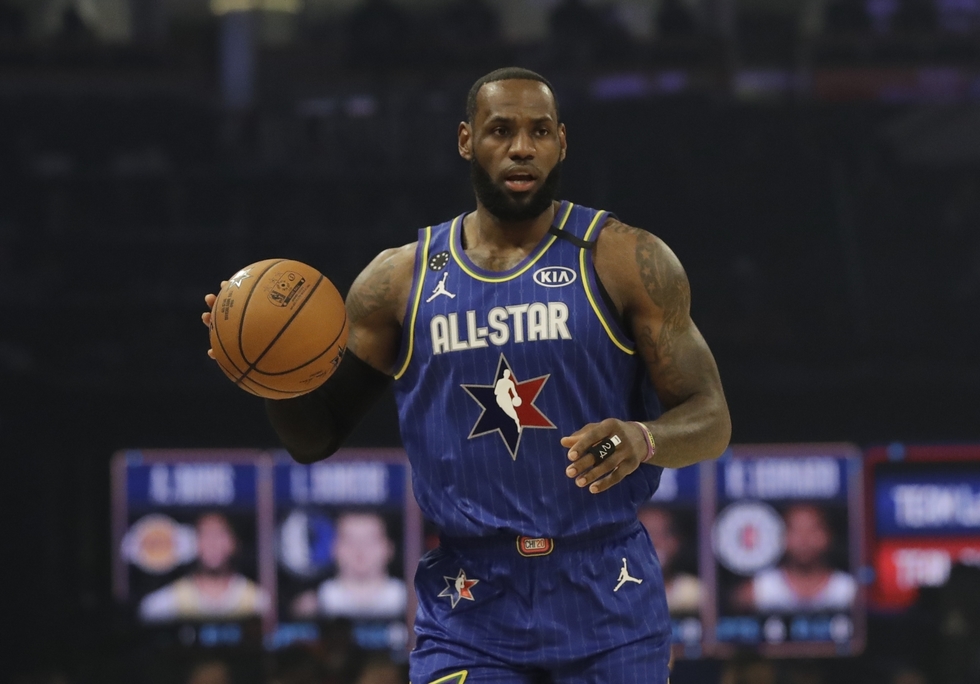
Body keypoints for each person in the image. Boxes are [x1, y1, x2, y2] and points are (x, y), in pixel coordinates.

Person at [203, 67, 731, 683]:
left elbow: (711, 418)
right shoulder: (397, 281)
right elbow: (314, 437)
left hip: (608, 590)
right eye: (500, 130)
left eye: (539, 131)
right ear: (465, 140)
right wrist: (271, 376)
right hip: (469, 602)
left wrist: (643, 438)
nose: (521, 147)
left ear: (562, 142)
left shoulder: (625, 259)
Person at [139, 512, 268, 621]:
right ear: (193, 543)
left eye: (220, 535)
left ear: (234, 543)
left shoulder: (258, 602)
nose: (213, 544)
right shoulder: (162, 604)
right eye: (205, 535)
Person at [732, 504, 856, 613]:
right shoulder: (756, 592)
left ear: (828, 536)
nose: (804, 540)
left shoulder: (849, 591)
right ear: (781, 536)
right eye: (795, 530)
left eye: (813, 530)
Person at [292, 511, 406, 619]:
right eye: (349, 540)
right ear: (334, 548)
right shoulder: (311, 607)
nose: (360, 549)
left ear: (389, 548)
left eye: (370, 540)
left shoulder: (409, 602)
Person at [638, 506, 701, 614]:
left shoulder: (695, 592)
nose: (655, 543)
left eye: (662, 535)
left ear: (676, 542)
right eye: (645, 535)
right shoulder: (616, 591)